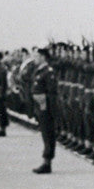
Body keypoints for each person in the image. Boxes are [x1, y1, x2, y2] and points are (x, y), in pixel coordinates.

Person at [31, 46, 59, 174]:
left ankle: (47, 162)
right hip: (40, 107)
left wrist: (45, 103)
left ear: (43, 57)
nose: (34, 59)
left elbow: (52, 92)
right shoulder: (39, 70)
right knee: (44, 134)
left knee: (48, 134)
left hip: (46, 108)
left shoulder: (48, 71)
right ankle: (46, 161)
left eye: (36, 56)